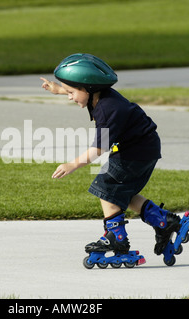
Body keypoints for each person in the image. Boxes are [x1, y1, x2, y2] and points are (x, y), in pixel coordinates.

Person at [40, 53, 181, 264]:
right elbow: (80, 92)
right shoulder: (99, 95)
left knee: (105, 187)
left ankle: (117, 238)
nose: (69, 97)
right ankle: (163, 221)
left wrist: (72, 164)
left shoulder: (107, 110)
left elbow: (98, 148)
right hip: (143, 147)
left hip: (136, 152)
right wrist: (58, 89)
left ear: (87, 88)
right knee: (121, 193)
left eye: (71, 92)